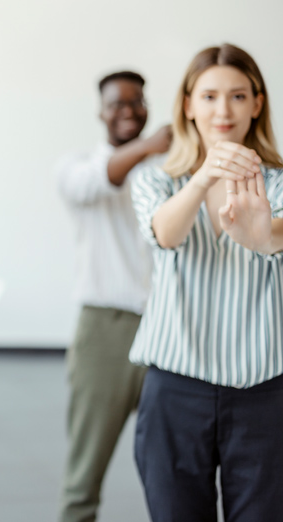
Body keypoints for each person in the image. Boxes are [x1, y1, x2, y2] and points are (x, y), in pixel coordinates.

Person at [130, 43, 283, 522]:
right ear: (188, 104)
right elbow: (165, 234)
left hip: (265, 392)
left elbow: (273, 235)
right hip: (175, 391)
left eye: (238, 96)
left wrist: (263, 236)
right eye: (210, 96)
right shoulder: (156, 181)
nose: (223, 110)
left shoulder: (277, 184)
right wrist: (201, 179)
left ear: (257, 104)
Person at [55, 71, 171, 522]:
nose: (127, 111)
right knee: (85, 470)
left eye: (136, 102)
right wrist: (149, 146)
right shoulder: (77, 166)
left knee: (173, 468)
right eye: (116, 104)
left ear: (148, 107)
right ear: (100, 112)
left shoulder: (169, 172)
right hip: (105, 329)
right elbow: (101, 180)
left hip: (167, 327)